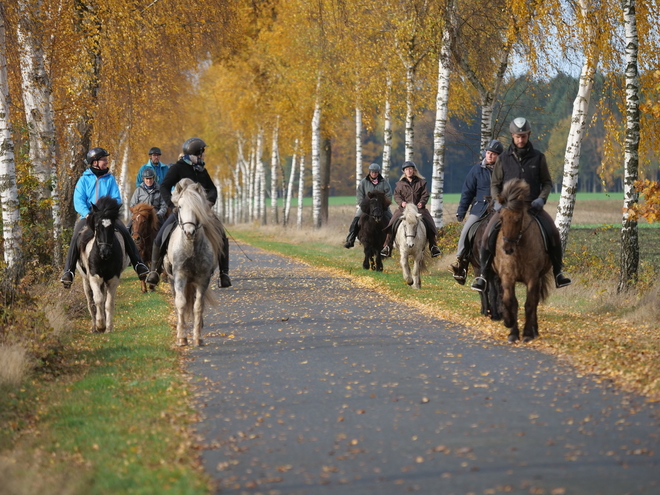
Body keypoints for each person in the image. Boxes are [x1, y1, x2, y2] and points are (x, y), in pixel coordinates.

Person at [470, 117, 572, 292]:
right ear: (512, 136)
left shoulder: (538, 157)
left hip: (533, 207)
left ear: (528, 135)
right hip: (508, 208)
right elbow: (495, 184)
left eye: (523, 136)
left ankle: (558, 273)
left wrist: (541, 199)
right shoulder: (503, 159)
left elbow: (547, 183)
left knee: (553, 232)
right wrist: (497, 202)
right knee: (487, 234)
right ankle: (483, 275)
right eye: (518, 136)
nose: (521, 139)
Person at [145, 137, 232, 289]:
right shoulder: (178, 168)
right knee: (161, 236)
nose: (204, 155)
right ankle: (154, 271)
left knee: (222, 235)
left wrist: (208, 203)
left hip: (202, 211)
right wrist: (172, 205)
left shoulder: (201, 169)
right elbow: (164, 186)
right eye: (202, 152)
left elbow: (212, 189)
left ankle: (224, 274)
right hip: (181, 210)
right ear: (197, 153)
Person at [60, 147, 149, 288]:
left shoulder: (110, 179)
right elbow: (78, 200)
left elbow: (116, 198)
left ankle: (139, 264)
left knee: (125, 231)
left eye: (106, 159)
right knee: (77, 234)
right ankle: (68, 272)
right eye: (104, 159)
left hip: (107, 215)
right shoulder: (83, 180)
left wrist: (109, 212)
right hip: (89, 215)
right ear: (95, 162)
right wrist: (87, 213)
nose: (106, 162)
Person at [450, 139, 504, 284]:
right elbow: (467, 192)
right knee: (466, 231)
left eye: (493, 154)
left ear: (499, 156)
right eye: (488, 153)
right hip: (480, 208)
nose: (490, 156)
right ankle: (461, 262)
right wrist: (461, 211)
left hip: (500, 208)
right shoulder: (476, 170)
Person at [380, 161, 441, 258]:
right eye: (407, 169)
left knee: (430, 223)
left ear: (414, 170)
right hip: (403, 210)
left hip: (419, 209)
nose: (409, 171)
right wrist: (401, 203)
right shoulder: (399, 184)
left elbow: (425, 194)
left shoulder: (422, 183)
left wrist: (422, 202)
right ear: (404, 171)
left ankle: (433, 246)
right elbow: (396, 196)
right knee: (392, 223)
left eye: (410, 169)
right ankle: (387, 246)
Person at [343, 163, 392, 248]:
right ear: (369, 172)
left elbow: (388, 195)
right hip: (367, 207)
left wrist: (384, 205)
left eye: (376, 172)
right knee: (356, 220)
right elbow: (359, 195)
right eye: (372, 172)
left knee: (392, 220)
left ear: (378, 172)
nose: (374, 174)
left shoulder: (384, 183)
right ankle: (350, 239)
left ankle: (393, 241)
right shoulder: (363, 182)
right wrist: (364, 205)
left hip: (381, 207)